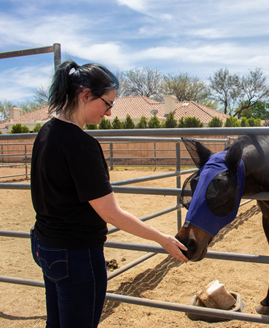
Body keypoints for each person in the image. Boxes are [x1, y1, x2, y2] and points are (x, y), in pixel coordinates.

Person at [30, 59, 188, 328]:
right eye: (108, 103)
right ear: (85, 95)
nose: (110, 113)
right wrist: (162, 238)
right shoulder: (81, 145)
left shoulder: (46, 132)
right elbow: (110, 212)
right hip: (77, 254)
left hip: (46, 245)